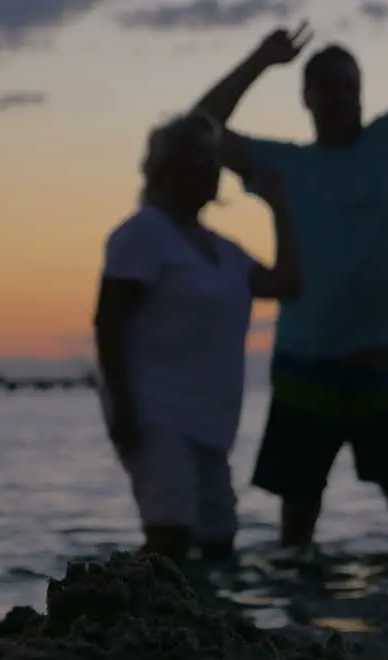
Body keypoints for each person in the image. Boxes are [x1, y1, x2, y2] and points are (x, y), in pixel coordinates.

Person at [188, 8, 388, 550]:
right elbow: (199, 129)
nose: (338, 96)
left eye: (347, 86)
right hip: (305, 370)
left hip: (380, 366)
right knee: (296, 533)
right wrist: (263, 60)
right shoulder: (283, 164)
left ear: (361, 92)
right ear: (306, 99)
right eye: (326, 87)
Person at [93, 113, 301, 563]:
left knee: (219, 540)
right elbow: (108, 323)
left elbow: (287, 284)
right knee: (170, 534)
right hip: (155, 410)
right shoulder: (142, 234)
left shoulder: (222, 250)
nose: (212, 169)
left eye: (213, 159)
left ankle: (201, 630)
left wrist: (280, 206)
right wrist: (124, 408)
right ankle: (125, 616)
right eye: (199, 158)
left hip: (210, 416)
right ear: (168, 168)